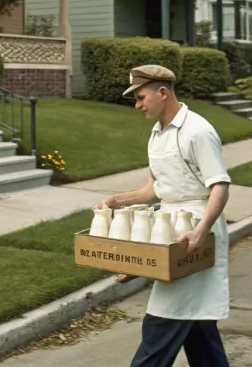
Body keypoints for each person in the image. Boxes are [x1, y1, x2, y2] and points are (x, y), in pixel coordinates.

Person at [94, 65, 231, 367]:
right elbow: (154, 190)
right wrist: (115, 201)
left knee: (162, 323)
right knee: (198, 325)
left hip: (194, 236)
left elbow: (220, 185)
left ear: (162, 92)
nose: (138, 105)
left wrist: (200, 231)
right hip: (169, 232)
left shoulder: (197, 131)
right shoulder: (157, 134)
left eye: (141, 97)